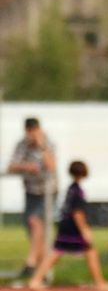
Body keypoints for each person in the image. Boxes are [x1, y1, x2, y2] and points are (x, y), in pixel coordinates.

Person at [26, 161, 108, 291]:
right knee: (89, 252)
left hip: (65, 225)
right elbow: (77, 213)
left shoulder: (71, 189)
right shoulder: (78, 191)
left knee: (57, 253)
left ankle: (36, 280)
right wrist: (84, 230)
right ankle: (99, 284)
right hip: (72, 228)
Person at [5, 117, 57, 279]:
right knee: (34, 230)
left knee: (35, 222)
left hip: (47, 192)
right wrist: (26, 167)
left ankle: (31, 262)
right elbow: (11, 166)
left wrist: (41, 146)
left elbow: (51, 166)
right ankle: (42, 272)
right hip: (30, 191)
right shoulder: (22, 145)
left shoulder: (47, 143)